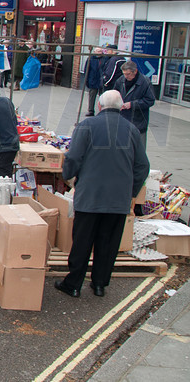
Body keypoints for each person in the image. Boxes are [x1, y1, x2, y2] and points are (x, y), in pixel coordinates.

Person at [54, 90, 149, 298]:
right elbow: (143, 166)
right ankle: (99, 285)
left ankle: (74, 284)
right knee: (108, 243)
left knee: (82, 241)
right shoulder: (132, 130)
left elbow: (73, 158)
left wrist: (67, 176)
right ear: (121, 106)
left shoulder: (86, 126)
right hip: (118, 200)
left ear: (99, 106)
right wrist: (130, 192)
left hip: (90, 196)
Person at [114, 60, 155, 149]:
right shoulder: (121, 80)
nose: (126, 76)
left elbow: (150, 100)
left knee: (138, 150)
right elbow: (115, 93)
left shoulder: (145, 82)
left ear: (135, 71)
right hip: (122, 121)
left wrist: (132, 104)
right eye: (124, 73)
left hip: (138, 122)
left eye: (128, 74)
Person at [84, 48, 106, 117]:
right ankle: (91, 111)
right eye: (98, 51)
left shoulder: (105, 59)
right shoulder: (90, 59)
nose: (100, 52)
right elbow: (86, 70)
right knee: (92, 96)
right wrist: (87, 80)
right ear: (94, 52)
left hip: (101, 80)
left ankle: (102, 110)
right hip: (93, 80)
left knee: (102, 97)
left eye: (101, 51)